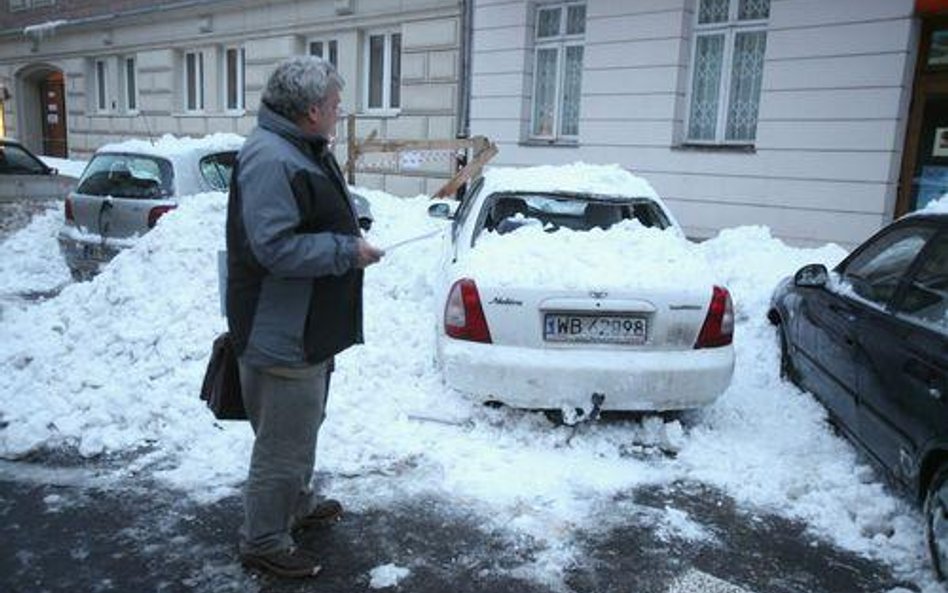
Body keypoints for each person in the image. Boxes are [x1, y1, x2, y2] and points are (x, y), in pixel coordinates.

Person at [225, 56, 384, 579]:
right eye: (337, 105)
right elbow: (274, 248)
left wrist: (346, 219)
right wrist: (345, 251)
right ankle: (264, 540)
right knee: (282, 444)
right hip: (282, 332)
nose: (341, 113)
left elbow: (305, 213)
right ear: (313, 110)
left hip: (307, 326)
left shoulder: (299, 147)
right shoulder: (272, 158)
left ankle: (294, 505)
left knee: (302, 429)